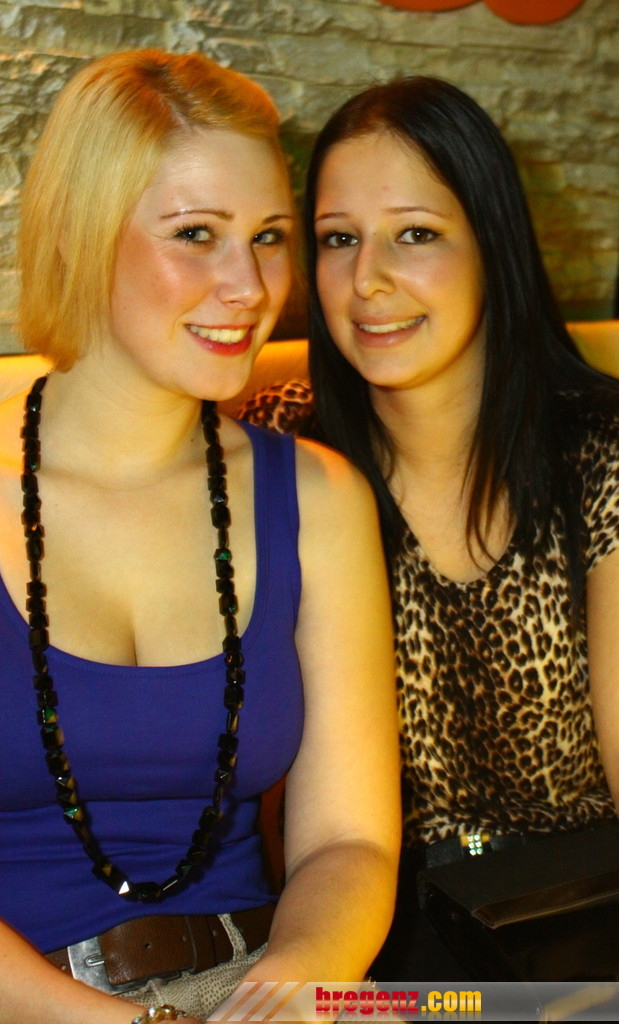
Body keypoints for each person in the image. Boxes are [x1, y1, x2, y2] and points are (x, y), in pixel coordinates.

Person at [0, 50, 401, 1023]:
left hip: (253, 986)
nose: (249, 286)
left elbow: (349, 842)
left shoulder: (319, 496)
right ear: (80, 237)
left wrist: (292, 987)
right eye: (196, 234)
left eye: (268, 237)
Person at [240, 75, 619, 980]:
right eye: (338, 239)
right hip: (368, 935)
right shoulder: (278, 451)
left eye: (415, 233)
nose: (367, 279)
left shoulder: (598, 453)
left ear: (492, 243)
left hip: (579, 917)